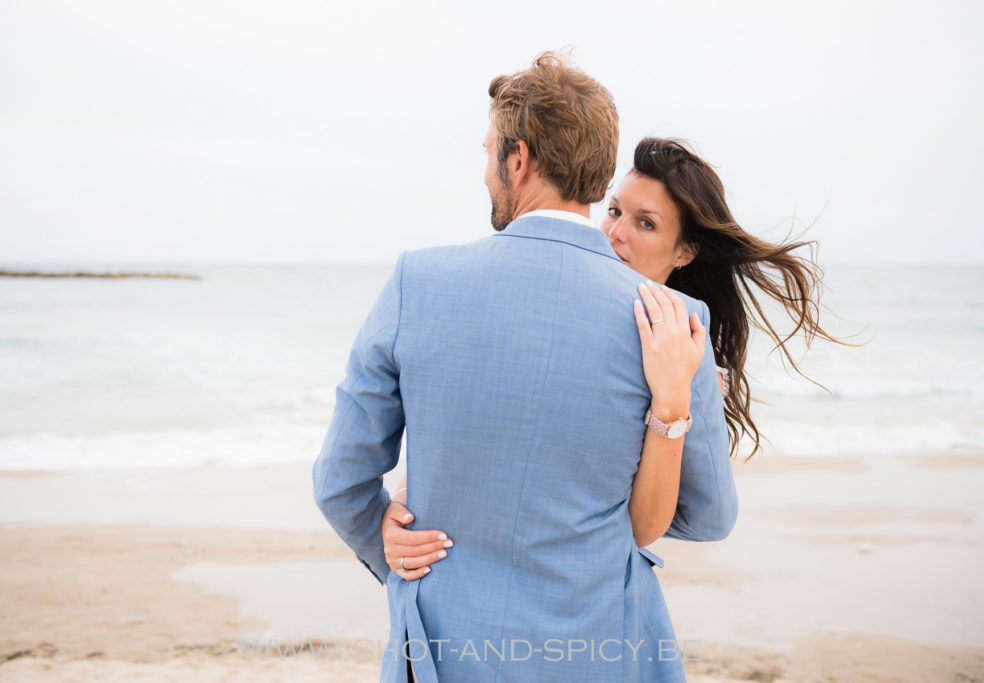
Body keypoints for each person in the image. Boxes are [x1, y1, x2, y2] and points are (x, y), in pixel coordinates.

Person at [312, 52, 736, 682]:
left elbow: (340, 481)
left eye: (488, 153)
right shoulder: (676, 323)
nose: (487, 171)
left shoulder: (417, 282)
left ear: (519, 158)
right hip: (600, 650)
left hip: (443, 650)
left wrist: (386, 540)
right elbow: (706, 516)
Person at [382, 136, 844, 585]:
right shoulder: (586, 312)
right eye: (615, 211)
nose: (614, 233)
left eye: (646, 224)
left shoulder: (684, 346)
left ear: (684, 251)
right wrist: (403, 503)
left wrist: (678, 404)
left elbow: (710, 517)